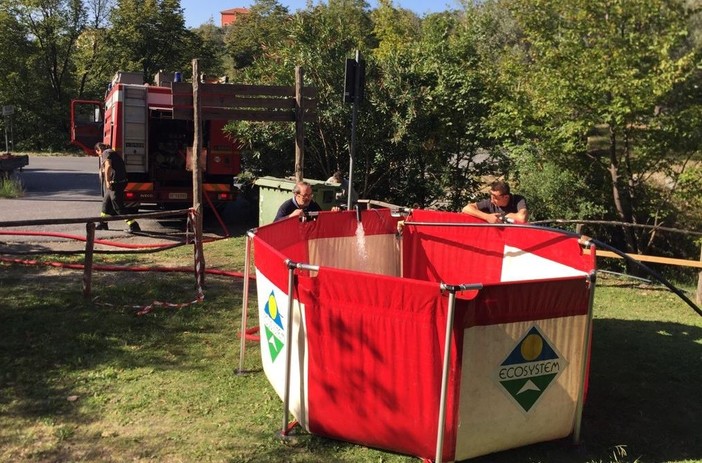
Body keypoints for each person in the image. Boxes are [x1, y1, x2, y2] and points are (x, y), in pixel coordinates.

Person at [94, 142, 141, 232]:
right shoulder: (112, 152)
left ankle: (133, 225)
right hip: (119, 181)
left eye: (98, 153)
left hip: (116, 183)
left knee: (117, 206)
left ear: (98, 150)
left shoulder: (106, 153)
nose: (99, 155)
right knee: (106, 203)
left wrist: (107, 181)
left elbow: (108, 166)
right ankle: (103, 223)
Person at [462, 180, 528, 224]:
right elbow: (466, 209)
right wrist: (487, 217)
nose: (492, 200)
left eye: (495, 197)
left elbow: (522, 218)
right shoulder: (490, 203)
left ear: (506, 197)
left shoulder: (518, 200)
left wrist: (503, 217)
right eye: (491, 196)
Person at [274, 181, 339, 221]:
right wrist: (291, 216)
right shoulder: (287, 206)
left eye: (310, 195)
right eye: (305, 195)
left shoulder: (313, 204)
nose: (308, 198)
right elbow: (275, 224)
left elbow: (322, 219)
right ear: (296, 194)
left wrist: (332, 214)